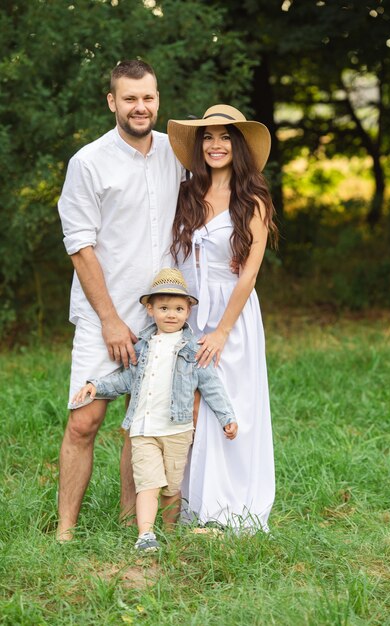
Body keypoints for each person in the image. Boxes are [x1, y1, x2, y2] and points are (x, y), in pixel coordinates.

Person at [56, 59, 184, 541]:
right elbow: (80, 246)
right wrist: (110, 320)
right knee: (85, 420)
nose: (140, 106)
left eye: (147, 97)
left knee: (144, 426)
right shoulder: (89, 162)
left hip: (164, 315)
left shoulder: (179, 153)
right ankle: (65, 529)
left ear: (157, 99)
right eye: (129, 98)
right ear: (112, 102)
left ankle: (136, 525)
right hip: (103, 315)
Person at [71, 268, 238, 552]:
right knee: (147, 483)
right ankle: (145, 535)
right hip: (144, 429)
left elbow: (211, 386)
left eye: (178, 308)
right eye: (163, 308)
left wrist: (227, 417)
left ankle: (170, 532)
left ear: (188, 311)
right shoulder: (144, 346)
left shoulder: (191, 349)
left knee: (171, 487)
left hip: (177, 429)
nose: (171, 314)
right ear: (150, 310)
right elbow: (126, 379)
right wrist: (96, 386)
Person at [167, 104, 278, 532]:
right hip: (190, 310)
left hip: (232, 316)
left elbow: (249, 273)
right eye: (208, 137)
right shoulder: (187, 193)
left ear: (239, 146)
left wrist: (222, 331)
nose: (216, 145)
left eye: (225, 137)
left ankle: (231, 510)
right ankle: (194, 506)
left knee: (230, 407)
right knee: (190, 407)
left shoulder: (254, 199)